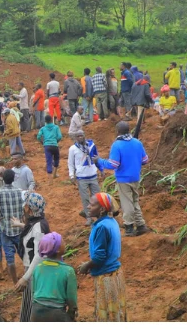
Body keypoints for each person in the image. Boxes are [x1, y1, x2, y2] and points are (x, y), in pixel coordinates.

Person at [96, 121, 150, 237]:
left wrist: (100, 161)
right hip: (136, 177)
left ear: (118, 131)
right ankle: (140, 225)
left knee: (127, 203)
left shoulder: (117, 145)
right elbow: (145, 160)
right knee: (135, 200)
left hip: (123, 178)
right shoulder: (137, 143)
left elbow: (113, 164)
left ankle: (129, 227)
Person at [79, 193, 125, 322]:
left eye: (92, 205)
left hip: (106, 276)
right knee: (117, 314)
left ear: (102, 209)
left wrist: (86, 266)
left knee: (107, 317)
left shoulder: (101, 227)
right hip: (115, 273)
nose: (88, 207)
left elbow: (99, 257)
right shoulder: (111, 222)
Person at [13, 192, 50, 322]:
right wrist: (20, 225)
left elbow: (39, 255)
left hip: (35, 271)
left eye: (25, 205)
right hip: (33, 270)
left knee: (33, 305)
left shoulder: (38, 226)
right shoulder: (38, 222)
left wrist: (25, 278)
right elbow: (33, 231)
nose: (24, 208)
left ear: (29, 208)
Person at [0, 169, 23, 284]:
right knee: (24, 253)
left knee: (9, 257)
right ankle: (29, 277)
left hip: (5, 229)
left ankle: (15, 283)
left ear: (3, 179)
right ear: (13, 179)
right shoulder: (19, 191)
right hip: (18, 227)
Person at [30, 232, 78, 322]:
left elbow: (34, 291)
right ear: (57, 250)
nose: (65, 243)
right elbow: (72, 299)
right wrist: (72, 313)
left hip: (36, 312)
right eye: (63, 242)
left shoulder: (38, 268)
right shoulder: (68, 271)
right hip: (57, 314)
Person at [68, 132, 100, 226]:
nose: (80, 137)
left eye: (82, 135)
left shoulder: (91, 145)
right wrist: (72, 176)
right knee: (85, 198)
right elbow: (70, 163)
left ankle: (98, 215)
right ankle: (89, 217)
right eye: (78, 136)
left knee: (97, 197)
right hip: (81, 177)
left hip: (93, 175)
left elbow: (96, 157)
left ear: (84, 136)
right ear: (75, 138)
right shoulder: (73, 149)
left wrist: (101, 169)